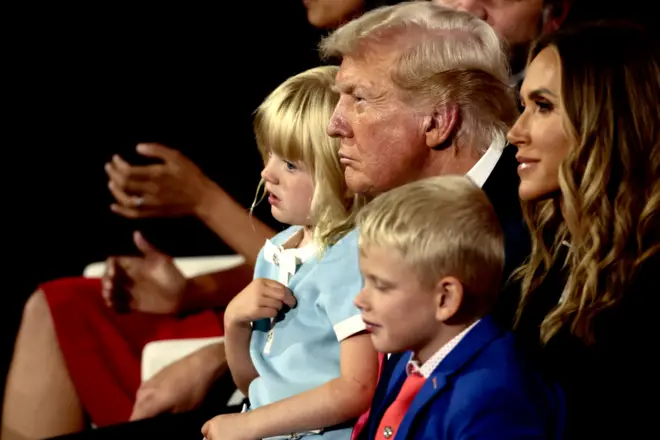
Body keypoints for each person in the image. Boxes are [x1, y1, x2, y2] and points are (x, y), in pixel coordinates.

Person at [8, 3, 524, 438]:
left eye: (359, 99)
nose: (335, 123)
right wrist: (225, 335)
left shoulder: (509, 233)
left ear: (437, 121)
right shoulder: (395, 191)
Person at [201, 65, 377, 440]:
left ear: (343, 171)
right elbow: (255, 389)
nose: (267, 174)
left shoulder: (353, 256)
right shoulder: (277, 251)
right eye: (269, 156)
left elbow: (358, 388)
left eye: (291, 164)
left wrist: (247, 425)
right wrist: (234, 322)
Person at [507, 21, 659, 438]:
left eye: (543, 106)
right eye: (523, 106)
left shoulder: (645, 278)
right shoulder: (540, 258)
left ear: (606, 118)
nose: (515, 133)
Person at [354, 175, 564, 440]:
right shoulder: (413, 357)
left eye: (381, 286)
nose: (359, 300)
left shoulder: (494, 398)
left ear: (446, 299)